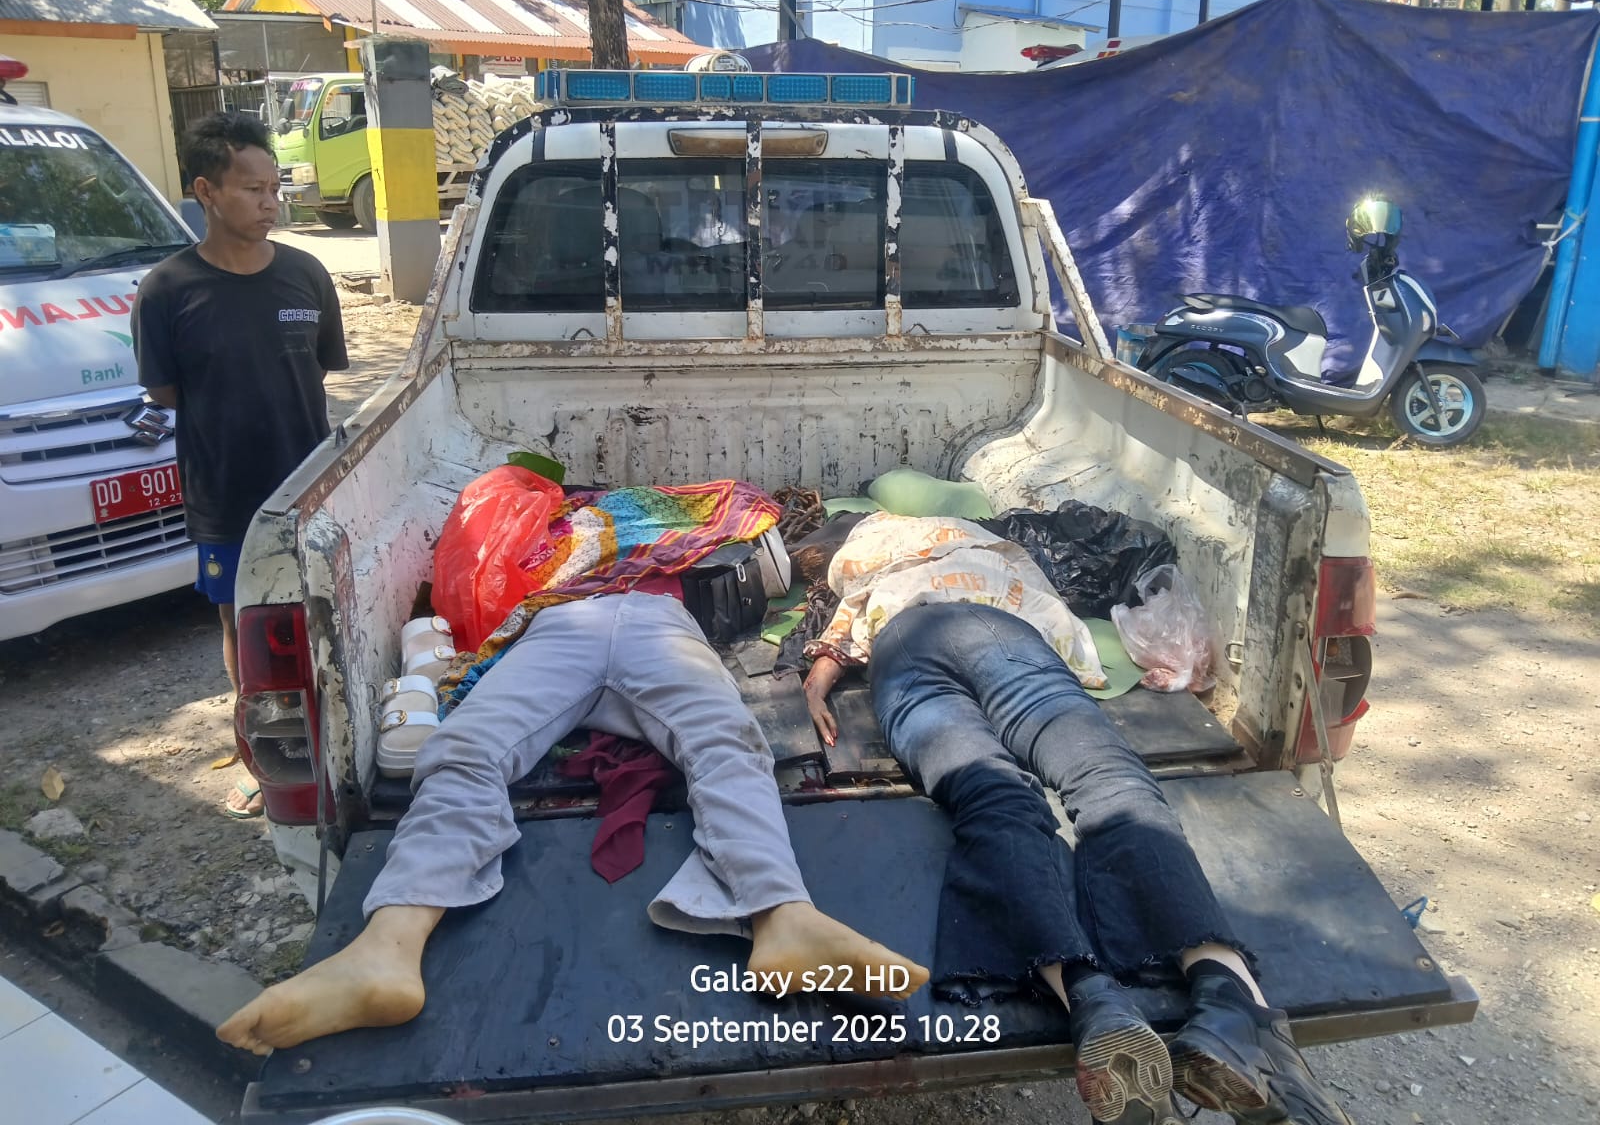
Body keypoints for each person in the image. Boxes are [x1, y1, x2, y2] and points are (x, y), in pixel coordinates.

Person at [801, 514, 1350, 1125]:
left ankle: (1091, 999)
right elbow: (1076, 638)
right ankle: (1231, 1003)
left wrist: (816, 691)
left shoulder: (864, 575)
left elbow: (831, 653)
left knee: (991, 795)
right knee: (1107, 778)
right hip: (1005, 633)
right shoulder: (999, 549)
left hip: (903, 652)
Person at [217, 590, 929, 1055]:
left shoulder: (674, 581)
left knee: (728, 739)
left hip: (661, 628)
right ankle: (385, 951)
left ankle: (784, 917)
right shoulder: (546, 580)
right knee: (463, 747)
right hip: (557, 631)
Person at [132, 112, 347, 819]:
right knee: (248, 629)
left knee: (324, 617)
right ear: (206, 191)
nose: (270, 202)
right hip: (225, 493)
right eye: (253, 189)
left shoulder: (306, 274)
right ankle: (269, 758)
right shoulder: (167, 290)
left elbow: (320, 368)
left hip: (308, 485)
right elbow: (165, 392)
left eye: (274, 188)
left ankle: (342, 740)